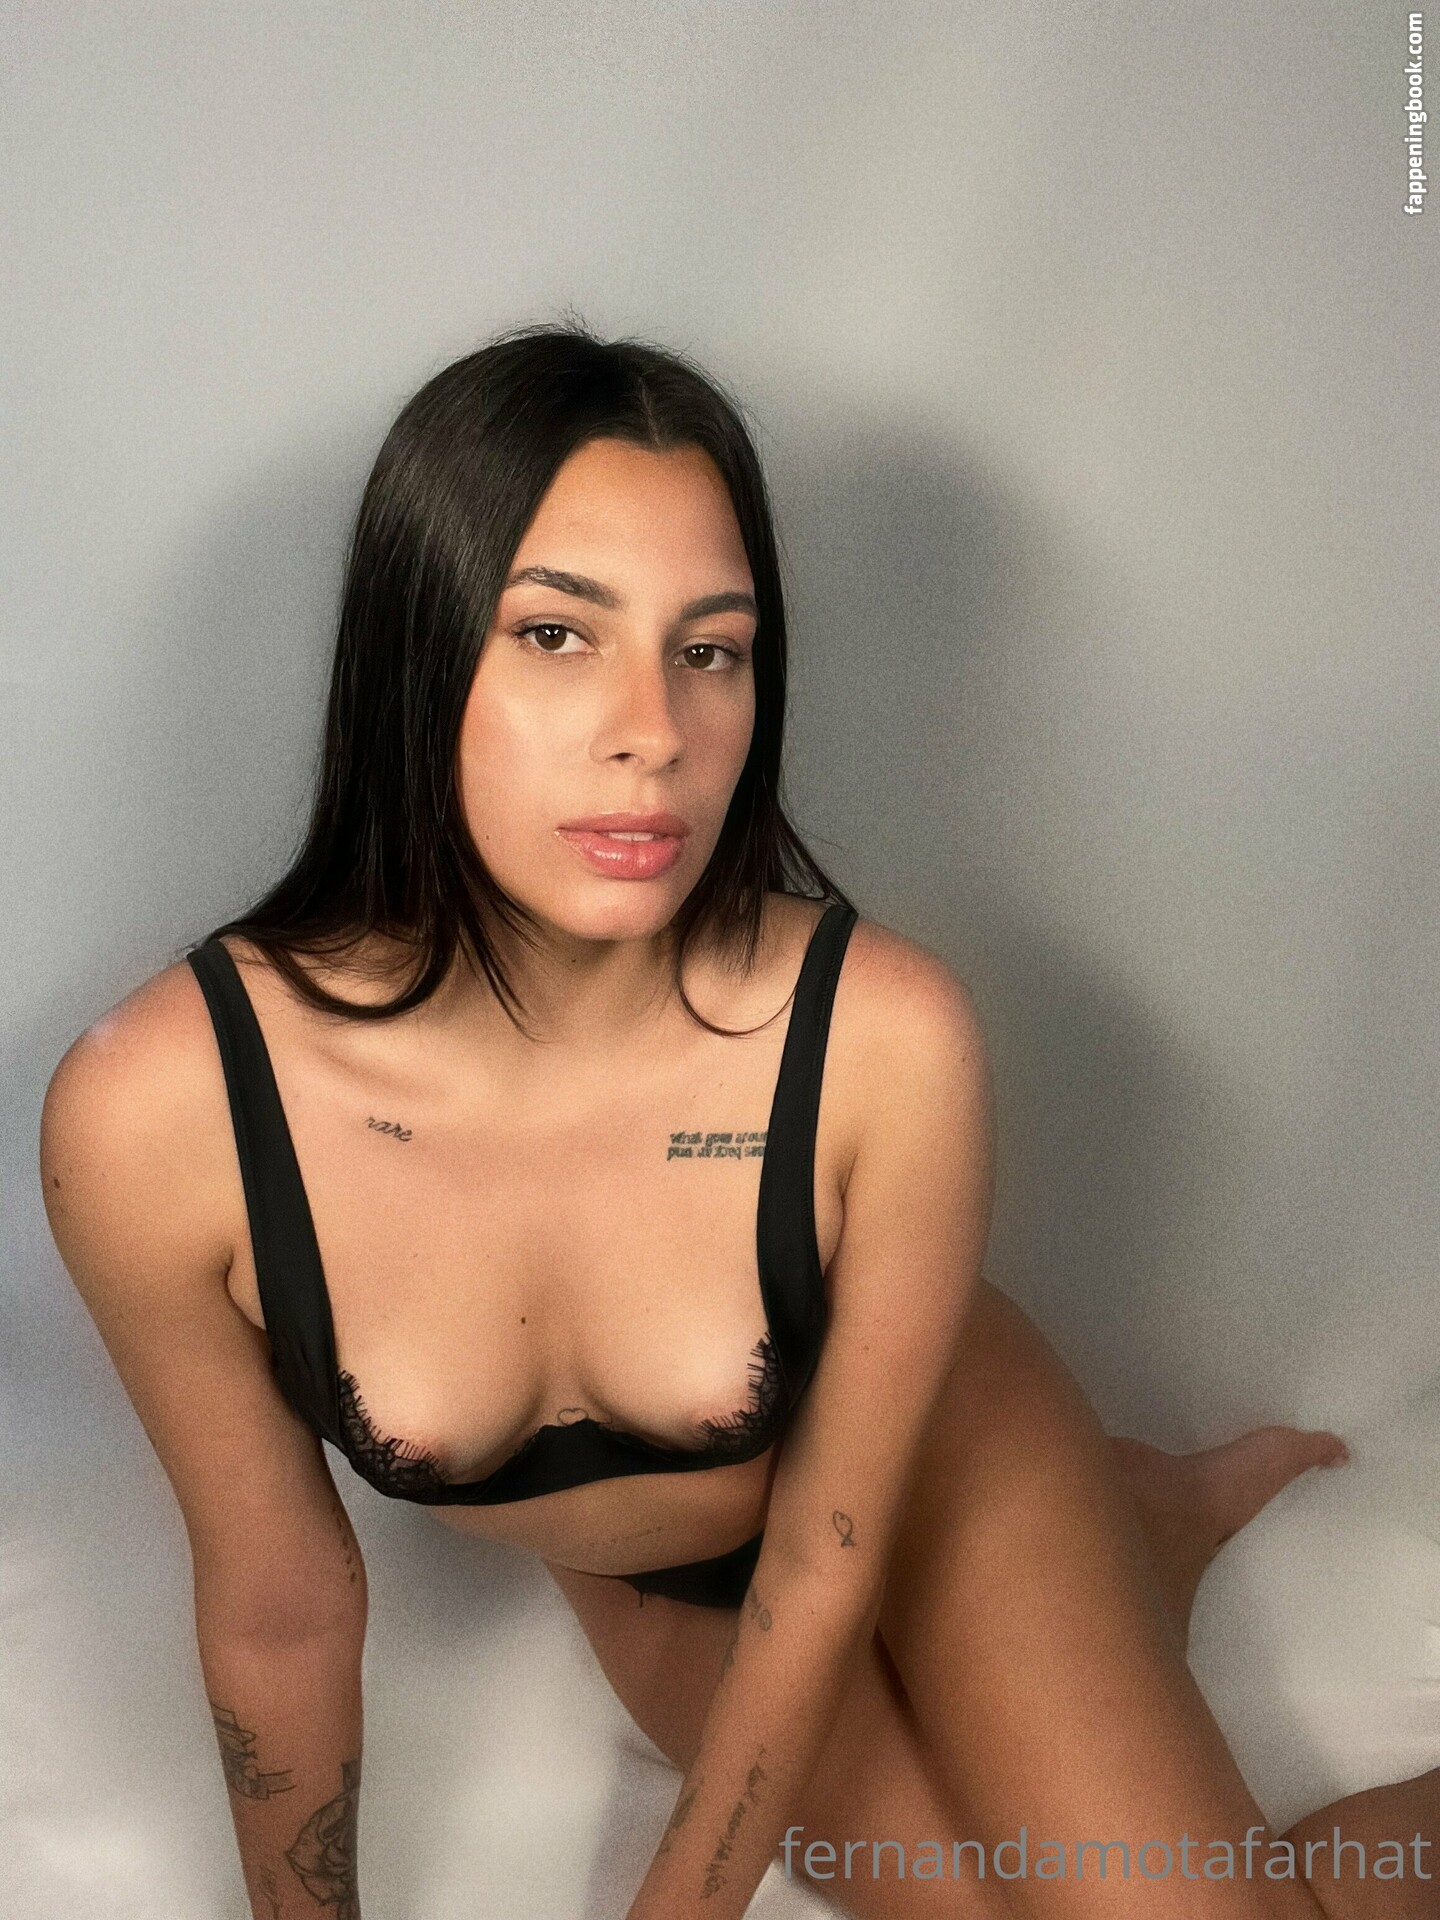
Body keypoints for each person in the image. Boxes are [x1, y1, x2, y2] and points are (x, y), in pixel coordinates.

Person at [39, 323, 1434, 1920]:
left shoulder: (881, 1037)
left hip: (935, 1469)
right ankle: (1144, 1537)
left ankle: (1106, 1527)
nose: (656, 729)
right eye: (557, 634)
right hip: (666, 1590)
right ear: (416, 656)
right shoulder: (163, 1114)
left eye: (710, 650)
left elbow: (826, 1561)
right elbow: (281, 1607)